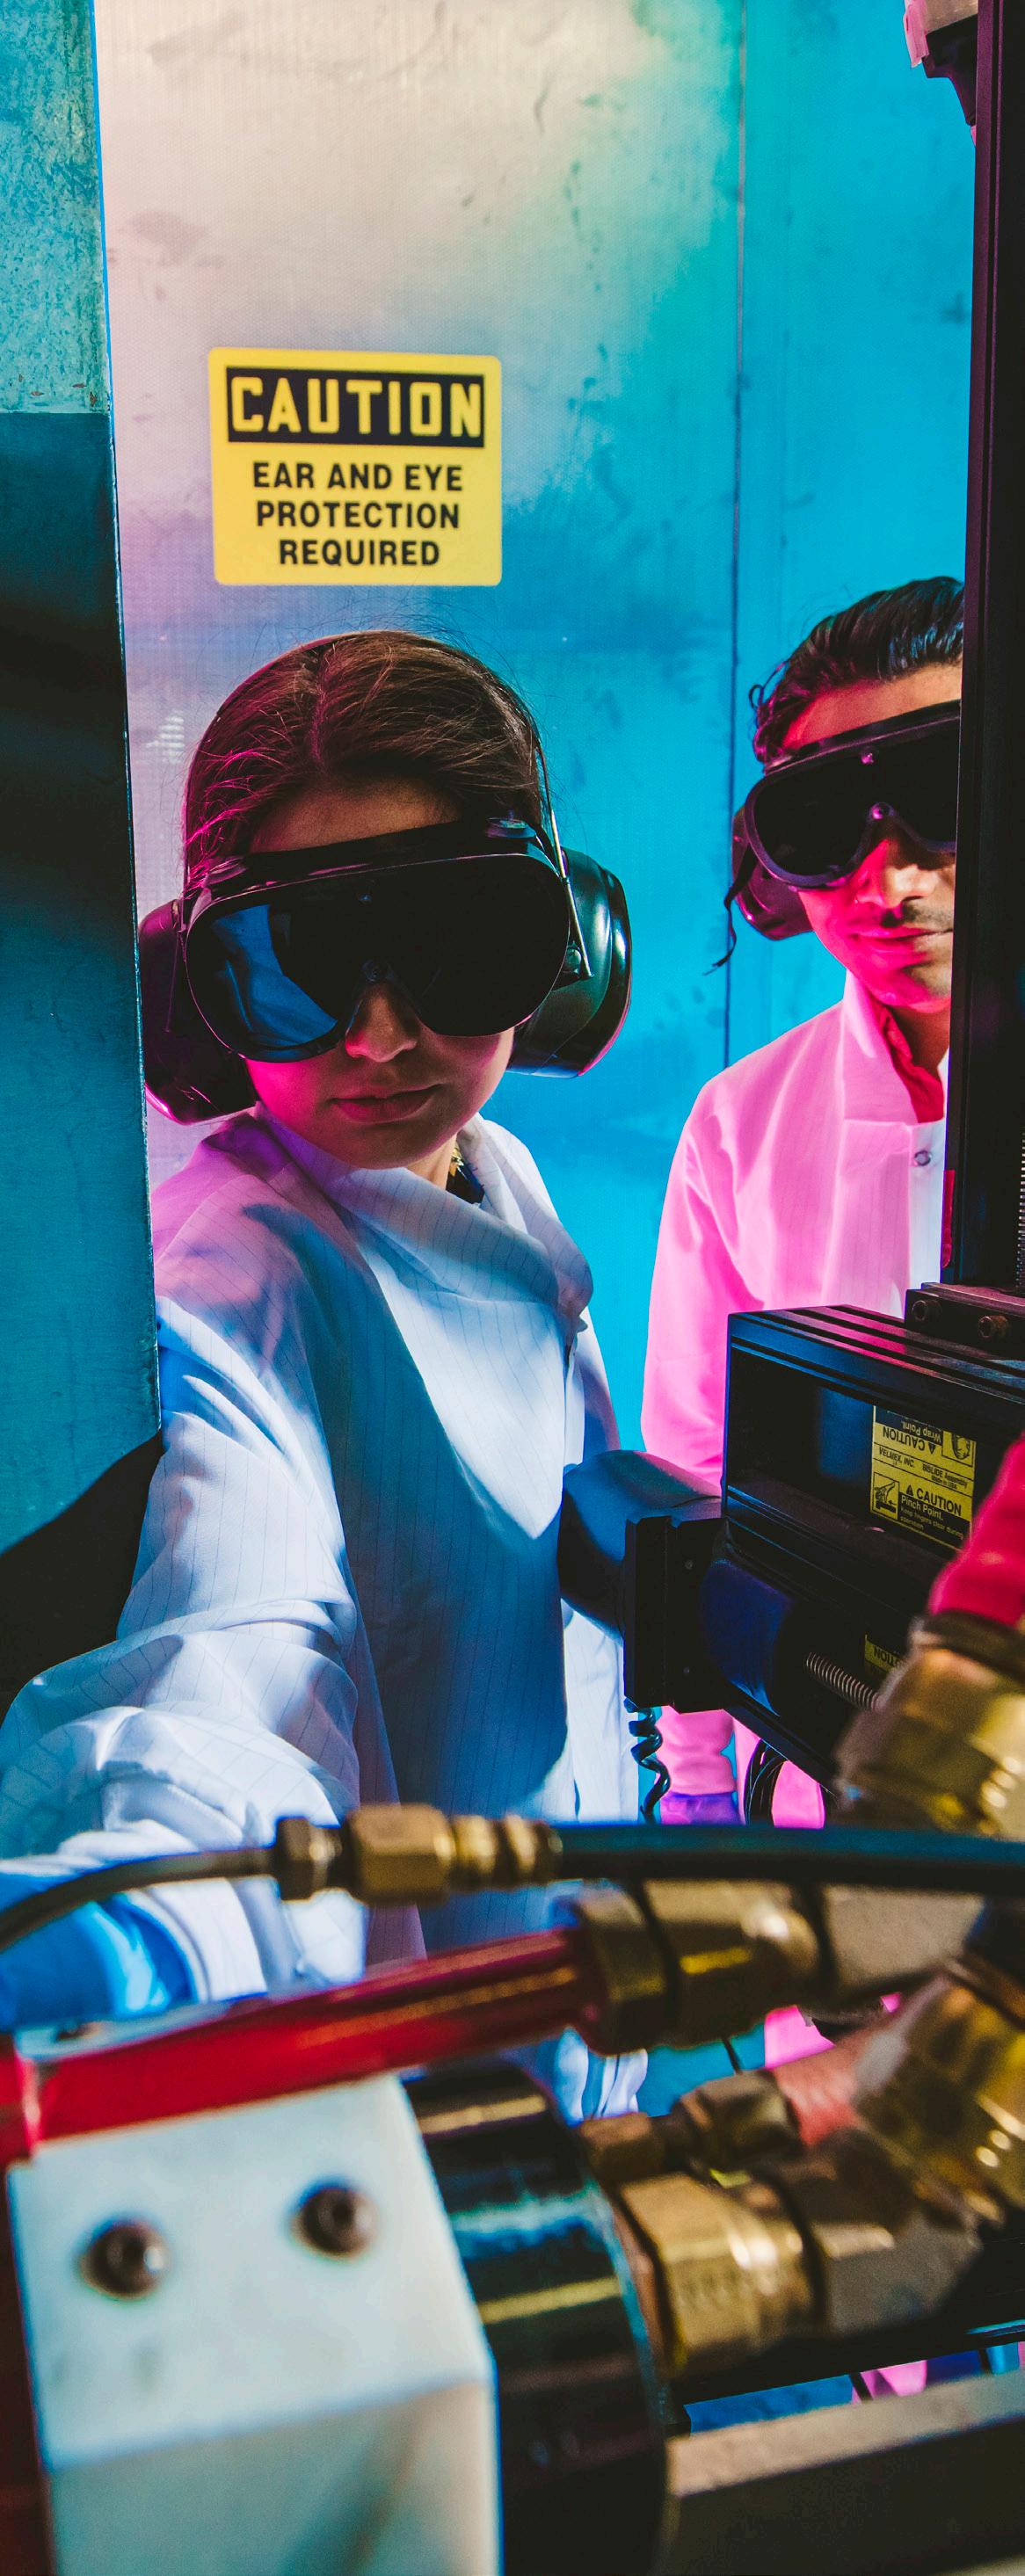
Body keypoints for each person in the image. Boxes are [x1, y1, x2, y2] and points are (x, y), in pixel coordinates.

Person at [0, 629, 639, 2116]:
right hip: (403, 2097)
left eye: (455, 946)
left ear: (562, 947)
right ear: (198, 989)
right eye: (292, 968)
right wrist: (127, 1935)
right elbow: (228, 1671)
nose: (377, 1038)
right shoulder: (231, 1284)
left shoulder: (499, 1180)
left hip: (566, 2008)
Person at [643, 576, 963, 1821]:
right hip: (813, 1797)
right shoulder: (742, 1123)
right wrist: (700, 1798)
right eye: (832, 827)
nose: (892, 884)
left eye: (944, 801)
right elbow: (695, 1472)